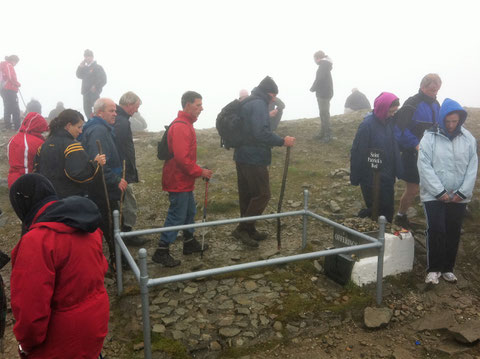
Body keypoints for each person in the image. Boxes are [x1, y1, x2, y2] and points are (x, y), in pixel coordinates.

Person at [9, 174, 109, 358]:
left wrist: (26, 345)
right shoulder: (86, 223)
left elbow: (31, 313)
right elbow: (102, 267)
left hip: (62, 343)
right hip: (95, 327)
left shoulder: (37, 241)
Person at [418, 98, 477, 285]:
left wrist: (463, 192)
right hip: (433, 195)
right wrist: (438, 191)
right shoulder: (429, 137)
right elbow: (424, 165)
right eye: (448, 121)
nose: (451, 125)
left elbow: (472, 167)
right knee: (436, 230)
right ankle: (434, 269)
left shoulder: (468, 138)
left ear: (460, 119)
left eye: (455, 121)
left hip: (459, 196)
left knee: (453, 231)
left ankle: (447, 268)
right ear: (442, 118)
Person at [232, 76, 295, 247]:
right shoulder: (259, 103)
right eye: (273, 95)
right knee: (262, 194)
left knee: (247, 194)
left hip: (241, 155)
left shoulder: (248, 102)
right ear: (268, 93)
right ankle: (243, 229)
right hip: (254, 157)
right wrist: (283, 141)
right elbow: (261, 133)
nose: (274, 99)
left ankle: (250, 229)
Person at [152, 91, 213, 267]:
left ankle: (189, 243)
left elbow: (184, 157)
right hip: (178, 179)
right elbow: (181, 159)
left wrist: (196, 171)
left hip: (183, 179)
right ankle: (161, 251)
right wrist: (200, 171)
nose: (201, 108)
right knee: (177, 214)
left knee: (188, 211)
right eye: (198, 105)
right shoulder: (181, 126)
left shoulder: (186, 124)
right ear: (187, 105)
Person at [81, 98, 126, 266]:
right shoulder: (98, 131)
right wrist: (114, 179)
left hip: (104, 185)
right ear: (100, 112)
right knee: (110, 223)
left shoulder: (102, 128)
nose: (115, 114)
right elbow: (99, 162)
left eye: (115, 110)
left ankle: (118, 260)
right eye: (111, 110)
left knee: (110, 222)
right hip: (103, 188)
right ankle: (117, 262)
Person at [393, 74, 442, 228]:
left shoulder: (436, 104)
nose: (433, 91)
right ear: (422, 87)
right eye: (430, 88)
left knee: (434, 185)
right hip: (412, 153)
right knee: (413, 188)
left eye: (436, 88)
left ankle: (435, 218)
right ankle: (401, 216)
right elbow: (398, 130)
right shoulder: (412, 103)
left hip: (431, 153)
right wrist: (416, 144)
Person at [350, 92, 401, 223]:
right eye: (391, 111)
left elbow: (393, 148)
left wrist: (397, 170)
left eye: (395, 111)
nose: (393, 114)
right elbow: (358, 153)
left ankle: (384, 240)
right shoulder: (367, 126)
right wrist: (356, 177)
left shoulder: (389, 123)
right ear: (382, 109)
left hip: (387, 176)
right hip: (370, 178)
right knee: (376, 211)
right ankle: (371, 234)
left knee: (388, 211)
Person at [35, 109, 106, 198]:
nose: (80, 131)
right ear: (68, 126)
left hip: (48, 197)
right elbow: (79, 174)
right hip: (69, 198)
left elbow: (37, 170)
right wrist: (96, 164)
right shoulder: (72, 146)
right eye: (79, 127)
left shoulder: (44, 145)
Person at [114, 91, 146, 246]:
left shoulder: (119, 119)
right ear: (129, 104)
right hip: (122, 170)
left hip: (121, 169)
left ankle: (125, 232)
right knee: (127, 201)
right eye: (136, 106)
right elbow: (118, 147)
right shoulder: (121, 121)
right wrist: (123, 170)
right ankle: (126, 234)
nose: (137, 110)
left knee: (126, 200)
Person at [7, 112, 49, 188]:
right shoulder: (38, 142)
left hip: (12, 179)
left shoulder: (13, 138)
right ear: (38, 127)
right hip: (28, 181)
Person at [76, 49, 107, 119]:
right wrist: (80, 66)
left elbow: (104, 80)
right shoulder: (84, 68)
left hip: (94, 93)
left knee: (97, 109)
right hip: (85, 92)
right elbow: (78, 75)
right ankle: (90, 121)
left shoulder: (98, 67)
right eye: (85, 56)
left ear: (92, 57)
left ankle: (97, 121)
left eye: (88, 56)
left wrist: (96, 86)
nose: (87, 58)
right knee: (86, 109)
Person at [310, 50, 333, 142]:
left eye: (314, 59)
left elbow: (319, 79)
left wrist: (312, 88)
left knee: (324, 114)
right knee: (323, 113)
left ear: (318, 58)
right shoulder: (325, 65)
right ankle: (323, 133)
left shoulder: (323, 66)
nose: (314, 61)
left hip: (323, 93)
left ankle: (327, 135)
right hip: (326, 92)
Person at [0, 55, 21, 130]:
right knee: (15, 108)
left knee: (7, 107)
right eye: (16, 62)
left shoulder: (2, 65)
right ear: (13, 60)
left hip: (3, 89)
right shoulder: (8, 65)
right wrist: (17, 83)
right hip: (10, 89)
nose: (15, 64)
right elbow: (10, 76)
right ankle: (17, 126)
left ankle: (8, 126)